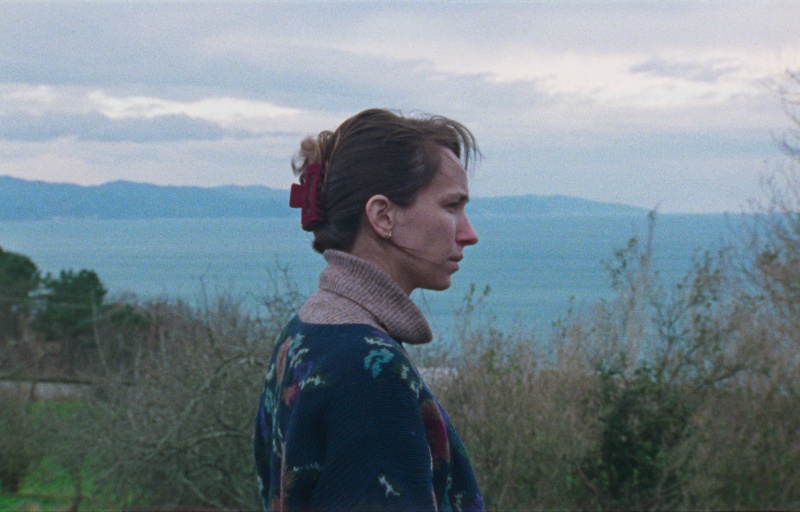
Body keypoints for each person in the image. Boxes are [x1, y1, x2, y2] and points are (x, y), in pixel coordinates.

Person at [253, 108, 485, 511]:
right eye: (452, 206)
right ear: (382, 216)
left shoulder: (304, 331)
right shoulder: (368, 369)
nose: (469, 233)